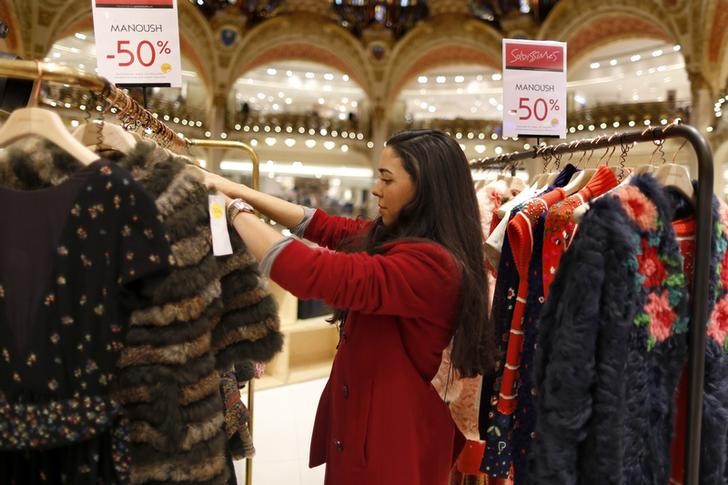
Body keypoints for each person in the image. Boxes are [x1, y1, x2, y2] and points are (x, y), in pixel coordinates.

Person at [199, 129, 494, 485]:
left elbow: (313, 274)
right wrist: (239, 190)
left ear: (425, 190)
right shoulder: (401, 238)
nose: (375, 189)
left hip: (394, 448)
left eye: (387, 179)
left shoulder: (433, 266)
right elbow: (327, 227)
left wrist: (231, 209)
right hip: (371, 428)